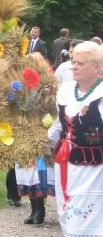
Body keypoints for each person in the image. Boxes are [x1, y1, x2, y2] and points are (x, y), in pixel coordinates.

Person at [49, 41, 102, 237]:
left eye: (80, 63)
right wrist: (38, 145)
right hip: (65, 165)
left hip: (94, 170)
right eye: (73, 61)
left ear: (97, 68)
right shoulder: (65, 90)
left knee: (90, 218)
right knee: (67, 213)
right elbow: (58, 125)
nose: (74, 66)